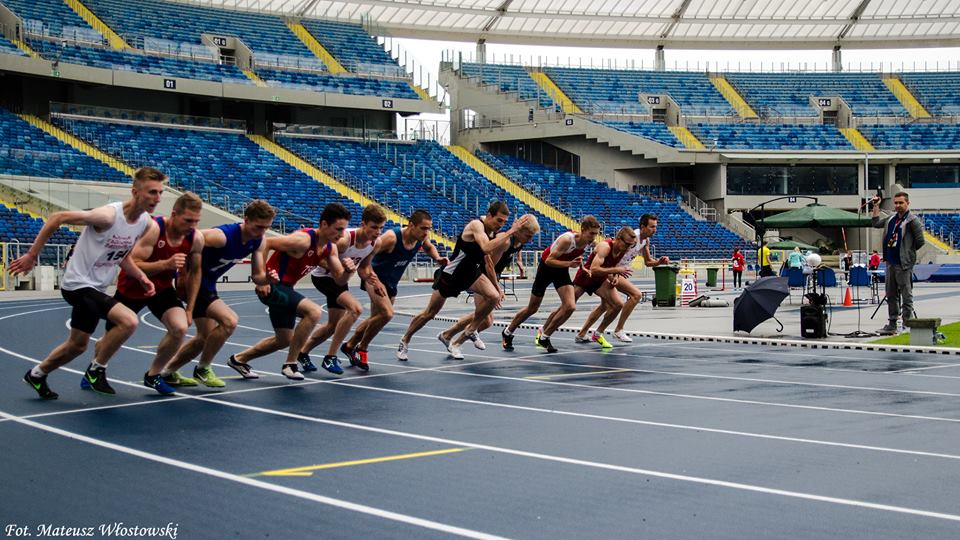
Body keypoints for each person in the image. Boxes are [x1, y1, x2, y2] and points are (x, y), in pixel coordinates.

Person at [13, 167, 164, 399]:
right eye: (152, 192)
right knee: (129, 320)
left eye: (160, 193)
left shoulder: (144, 223)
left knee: (77, 345)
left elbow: (121, 255)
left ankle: (36, 374)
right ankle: (97, 370)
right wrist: (32, 255)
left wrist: (141, 277)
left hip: (97, 288)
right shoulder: (108, 216)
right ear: (135, 192)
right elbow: (57, 217)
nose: (157, 198)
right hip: (77, 285)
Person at [228, 203, 350, 381]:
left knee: (284, 339)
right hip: (273, 287)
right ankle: (290, 364)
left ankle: (238, 360)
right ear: (324, 224)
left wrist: (348, 271)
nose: (341, 235)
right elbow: (266, 242)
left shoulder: (330, 248)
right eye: (338, 230)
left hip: (286, 289)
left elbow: (340, 280)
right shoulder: (303, 240)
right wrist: (261, 277)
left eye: (344, 230)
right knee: (314, 312)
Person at [396, 202, 528, 361]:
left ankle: (471, 330)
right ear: (489, 215)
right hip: (452, 275)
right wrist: (511, 231)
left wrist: (497, 287)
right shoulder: (476, 225)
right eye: (499, 221)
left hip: (471, 274)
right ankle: (405, 339)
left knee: (493, 297)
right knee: (429, 313)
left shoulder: (492, 233)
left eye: (505, 223)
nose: (501, 225)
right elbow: (486, 248)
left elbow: (488, 262)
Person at [165, 200, 275, 387]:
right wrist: (182, 274)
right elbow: (188, 239)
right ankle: (203, 368)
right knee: (229, 321)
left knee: (204, 337)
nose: (262, 232)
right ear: (246, 220)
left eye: (267, 228)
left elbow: (257, 276)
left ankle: (168, 371)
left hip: (208, 285)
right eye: (258, 227)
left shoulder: (258, 241)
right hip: (194, 283)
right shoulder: (222, 236)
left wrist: (269, 280)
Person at [112, 191, 205, 395]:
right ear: (174, 214)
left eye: (196, 221)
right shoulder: (154, 229)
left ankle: (153, 375)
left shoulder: (195, 238)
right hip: (133, 287)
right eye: (188, 220)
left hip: (162, 290)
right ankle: (95, 368)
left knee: (180, 328)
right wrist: (166, 264)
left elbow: (196, 273)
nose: (192, 226)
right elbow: (132, 264)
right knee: (112, 338)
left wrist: (190, 308)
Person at [342, 209, 449, 368]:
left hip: (392, 282)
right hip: (375, 277)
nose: (427, 232)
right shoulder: (391, 238)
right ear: (412, 225)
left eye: (429, 228)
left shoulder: (421, 238)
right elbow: (367, 254)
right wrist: (370, 277)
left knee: (376, 319)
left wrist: (438, 258)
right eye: (424, 228)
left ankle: (349, 345)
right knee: (387, 314)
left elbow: (428, 247)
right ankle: (362, 348)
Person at [299, 204, 386, 374]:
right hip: (323, 277)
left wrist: (374, 281)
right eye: (374, 227)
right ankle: (330, 357)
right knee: (355, 309)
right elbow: (320, 258)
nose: (377, 232)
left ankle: (303, 352)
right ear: (363, 224)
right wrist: (337, 268)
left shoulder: (376, 243)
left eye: (381, 228)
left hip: (340, 280)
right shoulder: (346, 239)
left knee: (333, 325)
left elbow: (364, 268)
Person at [436, 215, 539, 352]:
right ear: (518, 230)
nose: (530, 240)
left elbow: (513, 253)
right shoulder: (505, 241)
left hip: (491, 276)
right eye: (528, 236)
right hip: (480, 275)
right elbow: (488, 265)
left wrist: (519, 262)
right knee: (485, 318)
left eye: (532, 237)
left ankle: (448, 335)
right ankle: (455, 341)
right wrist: (497, 289)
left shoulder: (520, 242)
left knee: (484, 318)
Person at [500, 215, 601, 353]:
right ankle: (508, 331)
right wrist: (570, 264)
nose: (594, 237)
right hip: (546, 269)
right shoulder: (567, 239)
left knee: (570, 306)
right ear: (583, 230)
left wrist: (582, 267)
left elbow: (576, 256)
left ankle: (545, 337)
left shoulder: (589, 242)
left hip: (561, 270)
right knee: (532, 308)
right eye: (591, 233)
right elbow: (549, 260)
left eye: (596, 234)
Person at [576, 214, 670, 343]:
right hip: (613, 270)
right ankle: (618, 329)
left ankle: (582, 333)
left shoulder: (645, 241)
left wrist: (659, 262)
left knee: (604, 306)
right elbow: (615, 251)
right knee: (636, 295)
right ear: (643, 227)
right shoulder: (633, 238)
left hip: (618, 271)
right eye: (652, 227)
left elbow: (648, 262)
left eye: (656, 227)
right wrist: (613, 273)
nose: (655, 230)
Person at [555, 227, 636, 348]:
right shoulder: (605, 246)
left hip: (600, 279)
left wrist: (613, 277)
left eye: (631, 245)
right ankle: (545, 330)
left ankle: (598, 333)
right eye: (627, 244)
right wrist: (616, 270)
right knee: (567, 307)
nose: (629, 247)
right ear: (619, 239)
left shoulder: (622, 249)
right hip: (586, 277)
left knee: (618, 304)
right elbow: (594, 269)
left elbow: (609, 266)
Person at [871, 191, 925, 335]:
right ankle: (892, 323)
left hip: (903, 264)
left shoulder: (913, 220)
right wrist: (876, 205)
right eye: (896, 203)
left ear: (908, 203)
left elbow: (920, 241)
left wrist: (907, 253)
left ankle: (907, 322)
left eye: (901, 203)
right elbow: (875, 223)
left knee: (906, 295)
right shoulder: (891, 219)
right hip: (890, 262)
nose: (898, 205)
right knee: (891, 295)